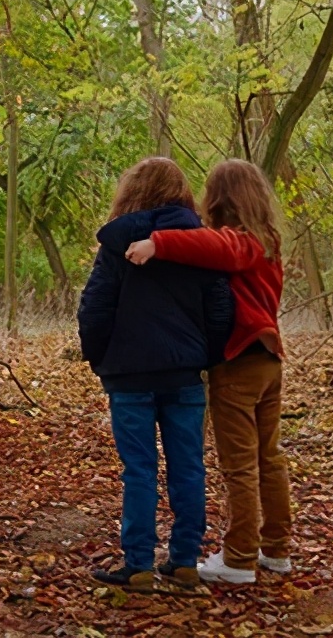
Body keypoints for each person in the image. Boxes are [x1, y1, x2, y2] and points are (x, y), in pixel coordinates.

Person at [126, 158, 292, 585]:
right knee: (268, 458)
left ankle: (239, 559)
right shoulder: (268, 240)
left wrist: (157, 244)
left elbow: (216, 247)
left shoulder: (242, 242)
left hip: (240, 363)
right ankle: (275, 549)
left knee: (240, 464)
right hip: (268, 361)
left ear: (220, 199)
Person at [77, 157, 233, 590]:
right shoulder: (199, 245)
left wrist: (101, 359)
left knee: (139, 469)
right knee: (188, 466)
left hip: (129, 376)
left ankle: (140, 564)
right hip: (183, 374)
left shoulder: (117, 245)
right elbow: (220, 307)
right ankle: (184, 560)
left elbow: (94, 308)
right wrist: (207, 356)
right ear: (182, 195)